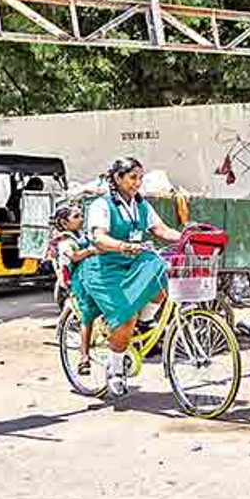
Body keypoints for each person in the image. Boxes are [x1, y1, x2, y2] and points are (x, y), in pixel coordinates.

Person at [71, 157, 181, 398]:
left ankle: (144, 320)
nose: (138, 183)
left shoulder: (141, 205)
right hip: (104, 269)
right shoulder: (102, 205)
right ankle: (115, 368)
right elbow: (99, 238)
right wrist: (121, 246)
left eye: (140, 178)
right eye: (133, 178)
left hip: (132, 262)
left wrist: (186, 237)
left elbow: (161, 230)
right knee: (125, 319)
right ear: (118, 178)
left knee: (161, 270)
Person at [47, 204, 98, 374]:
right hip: (77, 282)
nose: (81, 219)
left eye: (81, 215)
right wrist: (91, 251)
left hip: (89, 276)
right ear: (64, 222)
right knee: (87, 316)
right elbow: (74, 256)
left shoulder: (81, 235)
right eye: (76, 217)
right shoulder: (64, 240)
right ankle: (84, 358)